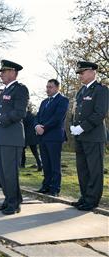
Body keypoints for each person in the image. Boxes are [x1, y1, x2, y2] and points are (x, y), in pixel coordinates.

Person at [0, 60, 29, 215]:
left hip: (12, 136)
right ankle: (10, 199)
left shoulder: (20, 90)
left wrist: (0, 119)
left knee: (10, 172)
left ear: (13, 72)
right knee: (2, 172)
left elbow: (20, 113)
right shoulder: (4, 91)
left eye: (4, 71)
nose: (1, 74)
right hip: (0, 135)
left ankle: (14, 203)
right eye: (1, 72)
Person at [70, 61, 108, 211]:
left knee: (94, 169)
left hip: (94, 136)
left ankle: (92, 200)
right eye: (79, 73)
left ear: (92, 72)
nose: (80, 75)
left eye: (82, 72)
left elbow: (100, 114)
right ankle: (84, 196)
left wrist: (82, 127)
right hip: (81, 137)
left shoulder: (101, 90)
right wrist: (73, 125)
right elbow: (76, 112)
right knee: (82, 169)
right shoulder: (81, 92)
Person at [34, 79, 69, 197]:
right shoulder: (44, 102)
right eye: (47, 87)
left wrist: (44, 127)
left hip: (54, 136)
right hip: (42, 136)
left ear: (57, 88)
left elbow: (58, 117)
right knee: (46, 163)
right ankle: (46, 186)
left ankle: (55, 188)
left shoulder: (63, 100)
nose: (47, 89)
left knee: (54, 163)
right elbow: (37, 116)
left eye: (50, 87)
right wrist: (37, 125)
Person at [21, 105, 42, 171]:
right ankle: (39, 164)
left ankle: (22, 164)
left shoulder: (24, 116)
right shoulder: (33, 116)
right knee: (35, 152)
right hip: (33, 136)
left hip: (26, 136)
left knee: (22, 151)